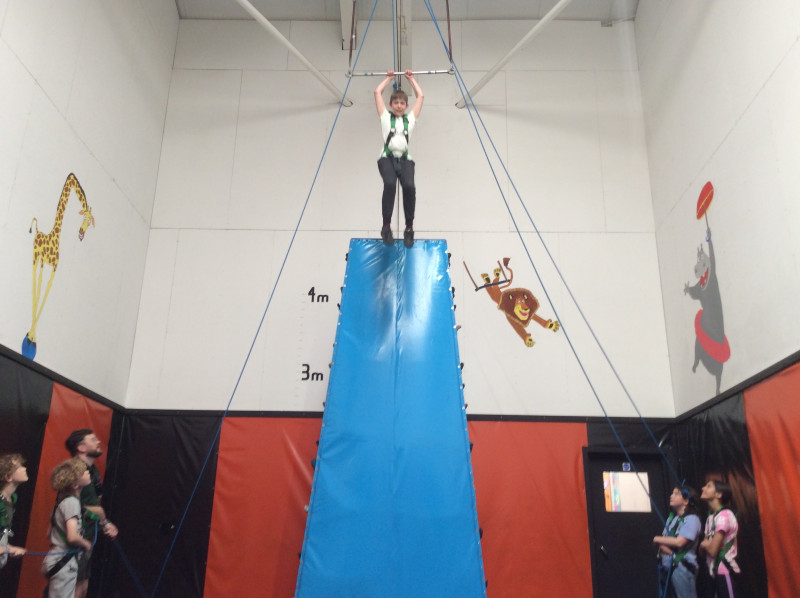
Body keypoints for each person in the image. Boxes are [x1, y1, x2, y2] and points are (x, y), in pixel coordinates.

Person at [374, 69, 424, 248]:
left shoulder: (410, 119)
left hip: (404, 160)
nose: (399, 106)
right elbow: (377, 92)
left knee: (409, 187)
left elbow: (420, 96)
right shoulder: (385, 118)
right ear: (391, 104)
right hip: (387, 158)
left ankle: (409, 228)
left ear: (406, 106)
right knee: (389, 184)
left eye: (402, 103)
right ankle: (386, 226)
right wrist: (388, 79)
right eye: (396, 102)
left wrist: (411, 79)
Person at [65, 429, 118, 598]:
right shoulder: (74, 471)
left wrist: (103, 521)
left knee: (83, 586)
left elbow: (94, 501)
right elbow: (70, 506)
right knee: (72, 588)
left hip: (88, 535)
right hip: (74, 539)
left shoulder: (93, 471)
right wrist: (102, 517)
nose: (98, 442)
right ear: (81, 447)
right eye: (93, 439)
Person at [41, 458, 93, 598]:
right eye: (83, 472)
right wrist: (86, 544)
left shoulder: (61, 502)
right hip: (64, 562)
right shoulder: (72, 503)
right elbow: (72, 536)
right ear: (75, 484)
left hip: (55, 558)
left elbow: (49, 533)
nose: (88, 472)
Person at [653, 485, 702, 598]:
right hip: (667, 565)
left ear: (686, 501)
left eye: (676, 494)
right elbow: (662, 542)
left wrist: (656, 538)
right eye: (672, 493)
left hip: (682, 566)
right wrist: (665, 546)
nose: (671, 496)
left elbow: (680, 542)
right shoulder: (672, 519)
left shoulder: (692, 519)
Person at [699, 480, 741, 598]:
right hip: (712, 571)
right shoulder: (710, 518)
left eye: (708, 486)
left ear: (718, 494)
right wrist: (706, 545)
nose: (703, 488)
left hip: (724, 569)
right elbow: (702, 550)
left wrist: (707, 545)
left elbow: (712, 550)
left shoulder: (725, 515)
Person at [0, 453, 28, 568]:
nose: (24, 468)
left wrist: (9, 548)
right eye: (19, 467)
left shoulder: (12, 499)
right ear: (8, 477)